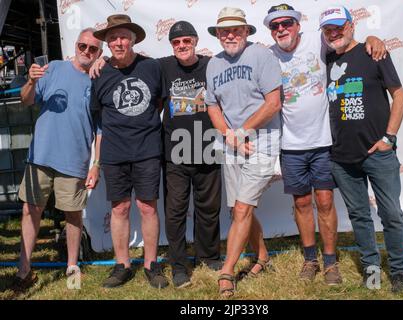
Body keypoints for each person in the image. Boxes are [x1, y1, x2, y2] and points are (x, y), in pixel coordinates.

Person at [263, 3, 387, 285]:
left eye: (286, 23)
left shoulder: (317, 40)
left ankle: (330, 263)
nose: (281, 29)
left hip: (323, 142)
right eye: (274, 25)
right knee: (302, 203)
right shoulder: (266, 55)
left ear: (297, 24)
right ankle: (310, 259)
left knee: (325, 201)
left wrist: (373, 38)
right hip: (291, 145)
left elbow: (346, 40)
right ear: (270, 31)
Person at [321, 6, 403, 293]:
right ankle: (371, 268)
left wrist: (390, 138)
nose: (333, 33)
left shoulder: (375, 52)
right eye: (328, 29)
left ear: (351, 25)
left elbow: (399, 97)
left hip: (378, 153)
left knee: (391, 214)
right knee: (359, 215)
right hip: (342, 157)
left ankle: (399, 271)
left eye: (338, 27)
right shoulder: (326, 59)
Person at [14, 28, 103, 291]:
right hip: (40, 155)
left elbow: (101, 131)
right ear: (75, 45)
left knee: (73, 215)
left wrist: (96, 164)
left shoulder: (98, 81)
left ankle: (72, 268)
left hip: (75, 160)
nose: (86, 51)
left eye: (93, 48)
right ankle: (23, 269)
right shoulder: (52, 68)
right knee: (30, 210)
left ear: (100, 52)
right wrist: (30, 81)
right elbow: (26, 100)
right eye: (82, 45)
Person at [205, 7, 283, 297]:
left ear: (246, 31)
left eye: (235, 29)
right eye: (224, 30)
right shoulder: (213, 64)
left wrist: (242, 132)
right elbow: (212, 106)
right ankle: (262, 257)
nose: (229, 35)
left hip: (260, 142)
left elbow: (273, 103)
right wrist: (229, 136)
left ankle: (226, 272)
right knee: (237, 207)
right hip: (232, 144)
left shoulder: (262, 56)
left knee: (242, 208)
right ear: (217, 34)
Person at [90, 14, 168, 289]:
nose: (118, 42)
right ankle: (122, 265)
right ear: (107, 43)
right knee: (119, 208)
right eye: (113, 38)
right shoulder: (99, 73)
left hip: (147, 148)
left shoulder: (152, 67)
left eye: (123, 36)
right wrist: (96, 162)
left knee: (147, 207)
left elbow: (158, 102)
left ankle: (151, 264)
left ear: (133, 40)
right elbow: (98, 120)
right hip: (114, 152)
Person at [159, 21, 222, 288]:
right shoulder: (163, 67)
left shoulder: (212, 65)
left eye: (186, 40)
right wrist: (101, 60)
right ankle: (179, 265)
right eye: (176, 42)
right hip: (175, 153)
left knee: (208, 209)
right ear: (171, 45)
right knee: (175, 212)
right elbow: (132, 61)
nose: (182, 46)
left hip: (207, 147)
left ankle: (208, 257)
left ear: (195, 41)